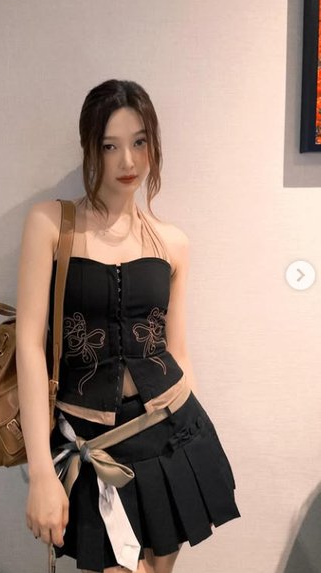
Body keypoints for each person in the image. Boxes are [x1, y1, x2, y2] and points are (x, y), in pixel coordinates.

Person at [15, 79, 241, 573]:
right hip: (91, 445)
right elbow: (29, 348)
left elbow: (178, 351)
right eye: (110, 146)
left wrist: (192, 444)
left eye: (140, 142)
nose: (128, 161)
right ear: (89, 148)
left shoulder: (171, 242)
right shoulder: (51, 224)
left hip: (171, 434)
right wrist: (40, 472)